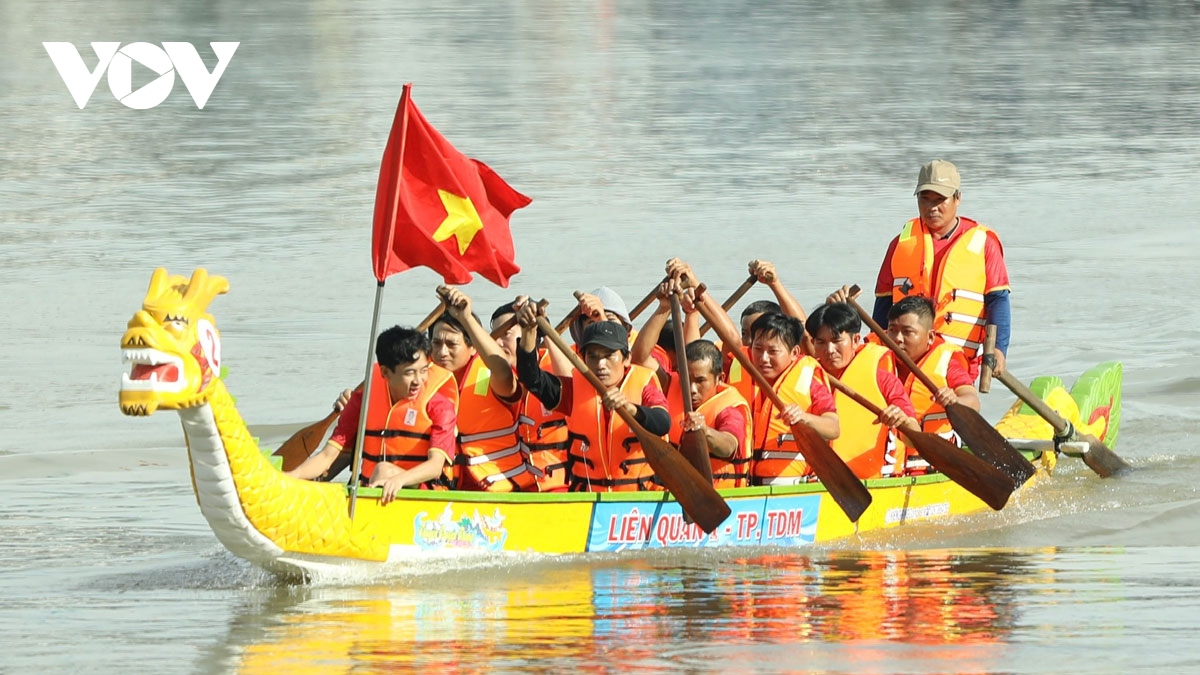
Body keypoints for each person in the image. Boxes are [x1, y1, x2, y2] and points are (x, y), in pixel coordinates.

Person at [865, 160, 1012, 381]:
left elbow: (998, 300)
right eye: (925, 199)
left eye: (940, 199)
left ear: (957, 198)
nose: (932, 207)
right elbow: (883, 305)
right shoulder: (900, 244)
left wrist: (998, 349)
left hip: (956, 361)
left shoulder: (984, 243)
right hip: (904, 360)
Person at [285, 326, 456, 504]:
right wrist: (291, 476)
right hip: (373, 489)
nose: (418, 381)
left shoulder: (440, 407)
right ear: (385, 373)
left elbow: (435, 466)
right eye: (409, 373)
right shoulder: (362, 401)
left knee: (383, 470)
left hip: (423, 492)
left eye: (423, 371)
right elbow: (327, 456)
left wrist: (399, 480)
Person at [515, 302, 671, 492]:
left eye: (609, 355)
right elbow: (532, 379)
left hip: (640, 500)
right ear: (583, 358)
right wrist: (529, 332)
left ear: (626, 358)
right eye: (593, 356)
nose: (601, 364)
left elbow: (662, 422)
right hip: (589, 497)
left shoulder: (645, 383)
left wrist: (632, 409)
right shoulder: (574, 390)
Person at [630, 281, 751, 487]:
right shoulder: (673, 383)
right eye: (688, 379)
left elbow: (729, 446)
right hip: (675, 488)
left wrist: (706, 431)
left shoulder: (730, 409)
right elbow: (640, 358)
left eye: (701, 381)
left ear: (720, 379)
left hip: (718, 496)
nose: (692, 389)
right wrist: (663, 308)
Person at [434, 288, 538, 492]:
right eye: (436, 344)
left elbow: (504, 373)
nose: (442, 352)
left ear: (472, 347)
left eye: (451, 344)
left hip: (501, 489)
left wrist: (465, 319)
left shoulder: (489, 373)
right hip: (449, 487)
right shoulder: (424, 379)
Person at [805, 302, 919, 479]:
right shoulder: (805, 377)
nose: (829, 350)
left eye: (836, 341)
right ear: (813, 343)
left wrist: (903, 421)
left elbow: (915, 437)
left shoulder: (882, 377)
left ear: (856, 340)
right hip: (820, 480)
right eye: (821, 342)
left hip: (875, 481)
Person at [885, 295, 981, 473]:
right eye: (892, 330)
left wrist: (954, 400)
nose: (897, 339)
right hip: (888, 468)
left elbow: (973, 401)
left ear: (930, 337)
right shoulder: (877, 357)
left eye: (907, 332)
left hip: (933, 466)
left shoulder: (946, 361)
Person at [746, 312, 840, 485]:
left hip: (791, 489)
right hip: (745, 488)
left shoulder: (808, 379)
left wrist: (804, 417)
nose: (763, 358)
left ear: (794, 352)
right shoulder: (739, 370)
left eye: (773, 351)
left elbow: (833, 428)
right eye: (758, 349)